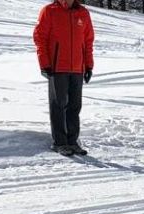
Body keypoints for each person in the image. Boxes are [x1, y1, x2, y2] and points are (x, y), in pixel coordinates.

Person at [33, 0, 95, 157]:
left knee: (75, 106)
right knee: (58, 105)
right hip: (57, 67)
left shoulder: (83, 13)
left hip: (77, 68)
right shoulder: (49, 11)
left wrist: (88, 65)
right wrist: (44, 64)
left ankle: (73, 142)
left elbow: (88, 41)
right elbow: (40, 38)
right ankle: (59, 142)